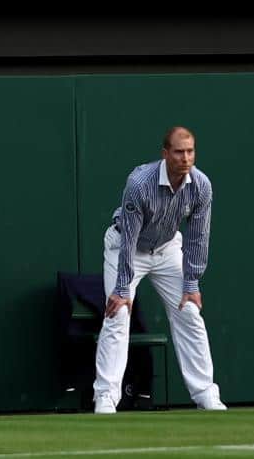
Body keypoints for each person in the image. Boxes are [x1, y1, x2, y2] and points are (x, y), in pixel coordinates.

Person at [93, 126, 223, 414]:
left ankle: (206, 395)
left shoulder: (201, 185)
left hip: (166, 249)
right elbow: (128, 238)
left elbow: (198, 236)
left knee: (189, 311)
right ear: (165, 154)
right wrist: (123, 287)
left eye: (190, 152)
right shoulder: (139, 183)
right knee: (118, 313)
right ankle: (105, 396)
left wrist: (192, 283)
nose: (185, 158)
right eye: (179, 152)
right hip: (126, 248)